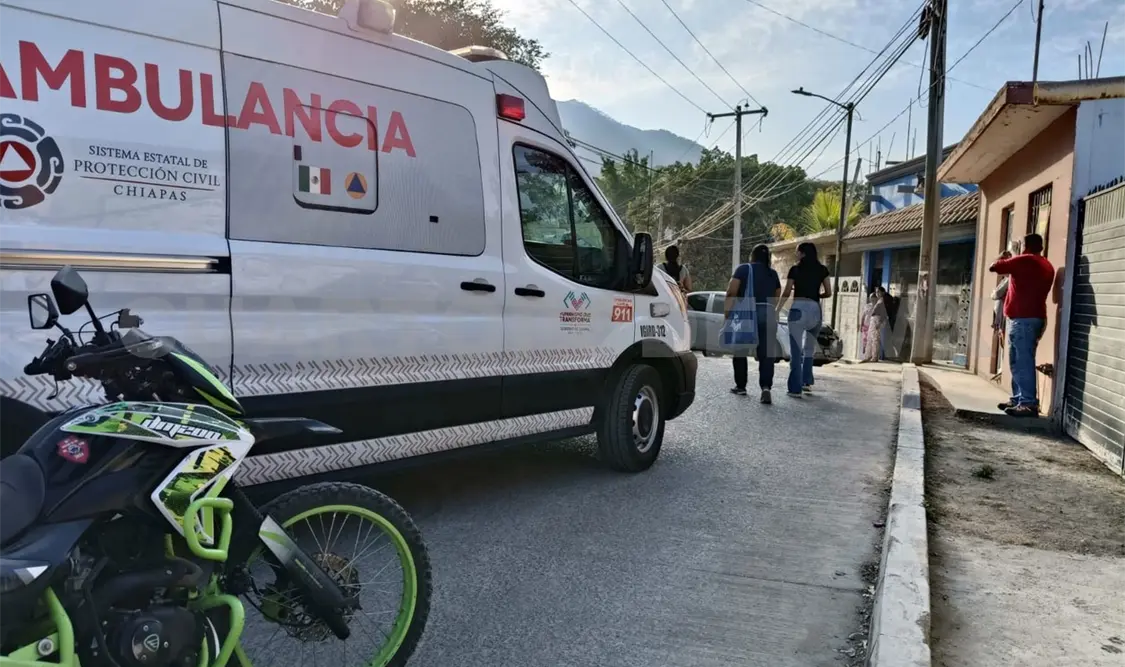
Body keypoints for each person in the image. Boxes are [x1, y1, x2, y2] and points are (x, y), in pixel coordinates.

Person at [989, 233, 1055, 417]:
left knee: (1021, 361)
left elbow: (994, 267)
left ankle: (1027, 403)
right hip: (1036, 317)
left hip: (1022, 319)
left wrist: (1005, 257)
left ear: (1025, 245)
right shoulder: (1046, 264)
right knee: (1019, 360)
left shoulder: (1024, 260)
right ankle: (1018, 398)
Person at [726, 244, 782, 403]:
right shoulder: (773, 274)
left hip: (747, 313)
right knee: (766, 354)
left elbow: (732, 291)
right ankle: (766, 388)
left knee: (740, 349)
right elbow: (777, 294)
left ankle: (741, 386)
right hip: (768, 312)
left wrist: (727, 313)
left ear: (753, 255)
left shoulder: (743, 269)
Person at [778, 242, 831, 397]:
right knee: (809, 348)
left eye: (797, 252)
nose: (796, 255)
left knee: (796, 350)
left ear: (803, 254)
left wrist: (777, 309)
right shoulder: (822, 270)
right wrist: (816, 296)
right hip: (815, 309)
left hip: (798, 309)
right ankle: (807, 382)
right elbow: (828, 292)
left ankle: (795, 388)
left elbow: (787, 291)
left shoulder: (795, 269)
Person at [859, 291, 888, 362]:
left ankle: (874, 357)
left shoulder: (881, 303)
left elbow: (884, 316)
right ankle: (867, 356)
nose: (872, 299)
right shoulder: (873, 304)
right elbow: (863, 315)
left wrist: (879, 323)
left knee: (875, 340)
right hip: (871, 323)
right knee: (869, 340)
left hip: (876, 323)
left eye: (874, 298)